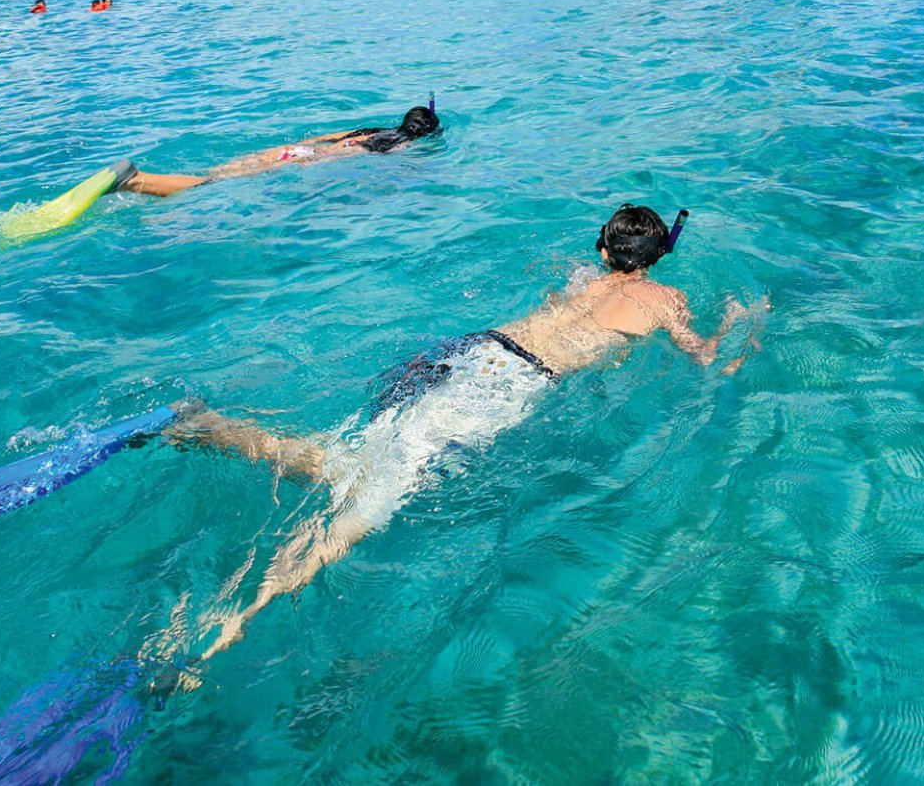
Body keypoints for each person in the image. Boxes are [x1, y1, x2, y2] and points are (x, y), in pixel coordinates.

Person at [166, 203, 768, 661]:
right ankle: (236, 623)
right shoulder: (665, 299)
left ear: (604, 250)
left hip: (469, 352)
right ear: (660, 254)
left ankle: (208, 428)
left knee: (349, 461)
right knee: (370, 500)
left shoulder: (583, 277)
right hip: (503, 389)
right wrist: (743, 325)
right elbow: (707, 360)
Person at [114, 103, 441, 197]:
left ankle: (150, 183)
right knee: (213, 185)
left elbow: (325, 137)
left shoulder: (372, 130)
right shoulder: (400, 145)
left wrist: (300, 152)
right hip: (315, 160)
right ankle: (138, 182)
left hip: (295, 150)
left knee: (218, 173)